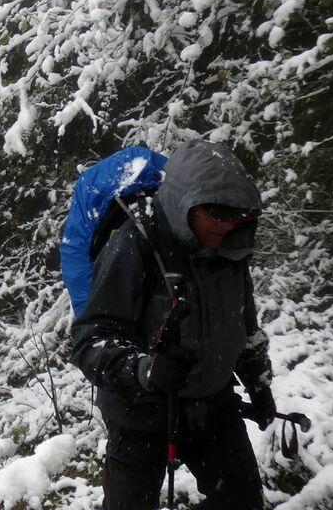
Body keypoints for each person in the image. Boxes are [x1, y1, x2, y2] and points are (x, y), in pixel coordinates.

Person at [71, 140, 276, 510]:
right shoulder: (136, 244)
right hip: (140, 416)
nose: (227, 226)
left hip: (214, 407)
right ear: (187, 203)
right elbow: (90, 341)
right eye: (218, 214)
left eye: (237, 218)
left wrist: (258, 383)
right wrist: (146, 370)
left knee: (243, 502)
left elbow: (243, 323)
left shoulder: (231, 249)